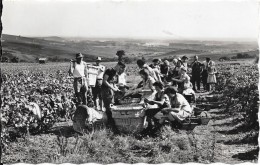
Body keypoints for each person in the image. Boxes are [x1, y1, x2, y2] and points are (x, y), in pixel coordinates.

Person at [102, 62, 126, 130]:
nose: (120, 70)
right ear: (118, 65)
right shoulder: (109, 70)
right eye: (121, 68)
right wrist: (112, 88)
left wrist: (117, 89)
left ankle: (112, 123)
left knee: (112, 106)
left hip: (111, 91)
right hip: (106, 91)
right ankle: (111, 125)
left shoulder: (115, 73)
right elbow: (105, 81)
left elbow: (113, 83)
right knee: (108, 107)